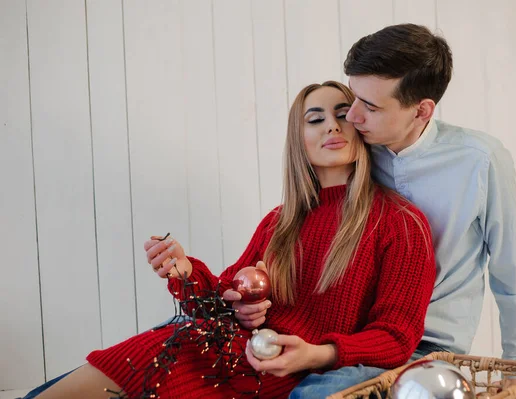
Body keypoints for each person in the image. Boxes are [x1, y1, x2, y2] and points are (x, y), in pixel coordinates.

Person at [30, 81, 436, 399]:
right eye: (315, 119)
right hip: (214, 352)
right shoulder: (278, 222)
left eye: (343, 114)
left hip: (274, 375)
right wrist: (185, 269)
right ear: (300, 141)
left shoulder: (399, 223)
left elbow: (396, 337)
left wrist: (317, 354)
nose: (331, 125)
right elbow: (221, 299)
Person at [288, 23, 516, 397]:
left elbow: (512, 271)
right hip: (351, 338)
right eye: (353, 97)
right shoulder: (355, 149)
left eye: (370, 106)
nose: (352, 117)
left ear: (422, 110)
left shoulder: (479, 161)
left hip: (428, 350)